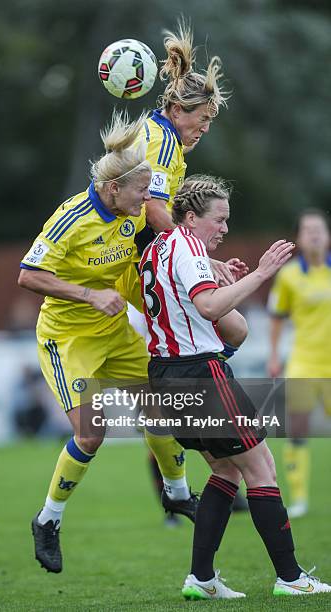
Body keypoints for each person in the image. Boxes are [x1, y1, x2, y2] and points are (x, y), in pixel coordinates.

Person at [18, 110, 198, 574]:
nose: (148, 200)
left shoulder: (129, 218)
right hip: (68, 338)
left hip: (114, 332)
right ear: (113, 187)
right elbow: (28, 275)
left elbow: (132, 275)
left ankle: (177, 495)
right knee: (92, 433)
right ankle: (47, 520)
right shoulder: (72, 218)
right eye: (142, 191)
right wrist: (87, 295)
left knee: (159, 407)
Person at [141, 174, 331, 599]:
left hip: (166, 376)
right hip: (200, 374)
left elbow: (218, 319)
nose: (225, 229)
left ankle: (201, 579)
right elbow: (209, 307)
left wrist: (222, 277)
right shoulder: (188, 247)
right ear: (191, 217)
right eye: (220, 219)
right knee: (261, 466)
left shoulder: (156, 248)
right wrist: (261, 274)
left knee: (225, 469)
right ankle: (291, 577)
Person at [118, 21, 249, 515]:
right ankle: (192, 418)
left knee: (229, 332)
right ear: (177, 109)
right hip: (144, 261)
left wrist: (202, 257)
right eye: (202, 118)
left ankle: (195, 422)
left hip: (152, 257)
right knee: (231, 330)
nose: (205, 127)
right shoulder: (163, 141)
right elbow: (154, 209)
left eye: (211, 120)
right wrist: (194, 255)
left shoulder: (160, 134)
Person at [267, 208, 331, 518]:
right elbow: (277, 318)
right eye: (308, 230)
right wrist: (274, 355)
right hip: (304, 362)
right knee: (298, 430)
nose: (315, 234)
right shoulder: (289, 275)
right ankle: (301, 499)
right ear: (299, 238)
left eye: (319, 228)